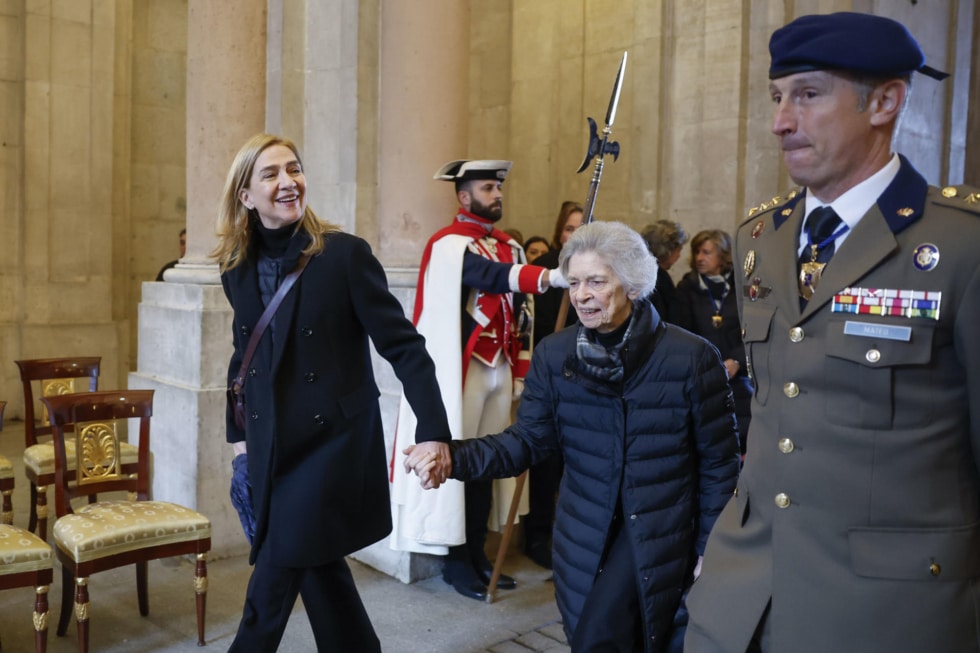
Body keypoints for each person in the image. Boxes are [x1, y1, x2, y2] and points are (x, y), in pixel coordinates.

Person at [685, 12, 980, 653]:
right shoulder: (758, 239)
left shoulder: (961, 244)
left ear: (885, 101)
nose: (780, 122)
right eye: (776, 97)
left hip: (887, 611)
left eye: (809, 95)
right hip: (743, 596)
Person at [403, 221, 739, 652]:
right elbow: (525, 442)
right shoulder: (555, 354)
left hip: (662, 534)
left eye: (597, 281)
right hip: (583, 539)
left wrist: (714, 548)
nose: (581, 295)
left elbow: (719, 464)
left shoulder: (690, 358)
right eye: (575, 282)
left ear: (634, 284)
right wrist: (452, 457)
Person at [212, 133, 452, 652]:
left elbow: (405, 347)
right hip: (274, 446)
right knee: (320, 573)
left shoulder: (343, 255)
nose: (288, 182)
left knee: (271, 584)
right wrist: (240, 444)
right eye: (270, 174)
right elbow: (243, 362)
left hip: (330, 446)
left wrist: (434, 432)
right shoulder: (237, 270)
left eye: (293, 169)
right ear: (246, 196)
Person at [389, 159, 567, 601]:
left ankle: (479, 556)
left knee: (490, 465)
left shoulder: (508, 246)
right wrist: (548, 275)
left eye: (498, 188)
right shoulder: (449, 246)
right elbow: (487, 278)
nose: (497, 195)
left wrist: (522, 372)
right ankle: (457, 563)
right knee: (460, 464)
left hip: (499, 368)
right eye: (488, 188)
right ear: (464, 197)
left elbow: (521, 316)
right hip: (463, 371)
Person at [520, 200, 585, 568]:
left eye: (582, 227)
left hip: (588, 379)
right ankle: (537, 534)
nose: (574, 234)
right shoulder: (545, 269)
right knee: (546, 460)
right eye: (569, 228)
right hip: (551, 375)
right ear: (560, 232)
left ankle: (569, 535)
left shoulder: (597, 266)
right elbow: (539, 326)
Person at [672, 230, 752, 454]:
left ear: (723, 256)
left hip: (739, 376)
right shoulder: (687, 288)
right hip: (701, 373)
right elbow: (681, 332)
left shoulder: (741, 287)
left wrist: (736, 360)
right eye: (696, 251)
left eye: (706, 252)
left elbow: (754, 331)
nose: (699, 257)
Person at [640, 219, 688, 320]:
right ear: (667, 250)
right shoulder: (656, 279)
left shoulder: (643, 272)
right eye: (678, 250)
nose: (679, 255)